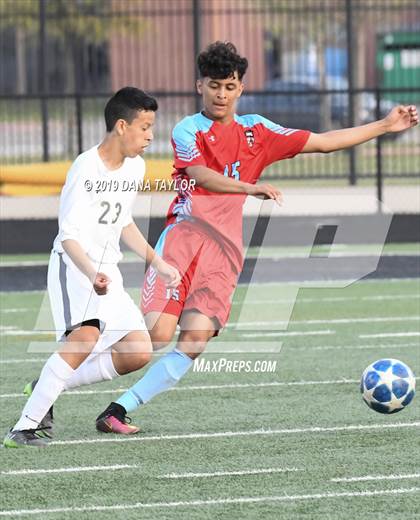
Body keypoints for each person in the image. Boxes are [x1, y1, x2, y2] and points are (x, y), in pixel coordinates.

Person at [89, 43, 420, 434]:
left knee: (194, 341)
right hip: (183, 242)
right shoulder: (187, 129)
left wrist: (384, 125)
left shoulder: (257, 131)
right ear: (200, 85)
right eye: (214, 85)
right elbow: (200, 176)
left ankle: (119, 410)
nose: (221, 95)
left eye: (229, 86)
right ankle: (63, 374)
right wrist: (249, 187)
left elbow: (323, 141)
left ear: (241, 88)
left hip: (224, 256)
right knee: (157, 337)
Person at [3, 87, 180, 447]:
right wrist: (90, 273)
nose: (150, 136)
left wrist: (157, 262)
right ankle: (23, 428)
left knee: (138, 350)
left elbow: (123, 221)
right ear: (120, 126)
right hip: (74, 266)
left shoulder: (136, 166)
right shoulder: (86, 167)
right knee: (84, 339)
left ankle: (47, 385)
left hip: (106, 273)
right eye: (145, 127)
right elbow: (68, 236)